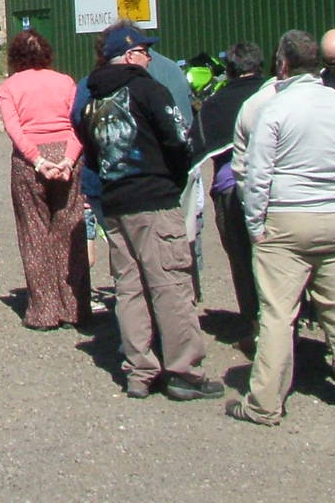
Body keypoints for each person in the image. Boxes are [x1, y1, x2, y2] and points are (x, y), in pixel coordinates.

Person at [227, 30, 335, 425]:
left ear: (283, 64)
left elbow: (257, 175)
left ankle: (264, 403)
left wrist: (255, 225)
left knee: (277, 314)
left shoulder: (276, 108)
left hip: (285, 221)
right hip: (333, 218)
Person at [78, 22, 222, 400]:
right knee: (170, 284)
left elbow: (89, 150)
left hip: (114, 201)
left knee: (129, 288)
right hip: (154, 198)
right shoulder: (148, 89)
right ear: (129, 55)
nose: (149, 58)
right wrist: (174, 178)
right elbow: (178, 138)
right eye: (144, 51)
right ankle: (182, 370)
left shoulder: (93, 98)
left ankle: (139, 369)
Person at [0, 29, 88, 329]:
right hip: (67, 155)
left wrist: (37, 159)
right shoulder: (66, 82)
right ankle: (74, 307)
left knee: (33, 232)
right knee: (69, 229)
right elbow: (78, 124)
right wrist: (68, 158)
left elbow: (13, 128)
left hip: (29, 160)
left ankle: (44, 311)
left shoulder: (8, 87)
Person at [190, 41, 268, 341]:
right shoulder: (274, 94)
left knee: (242, 259)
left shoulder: (215, 104)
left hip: (231, 187)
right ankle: (285, 324)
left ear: (230, 69)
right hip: (276, 188)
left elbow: (195, 150)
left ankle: (254, 325)